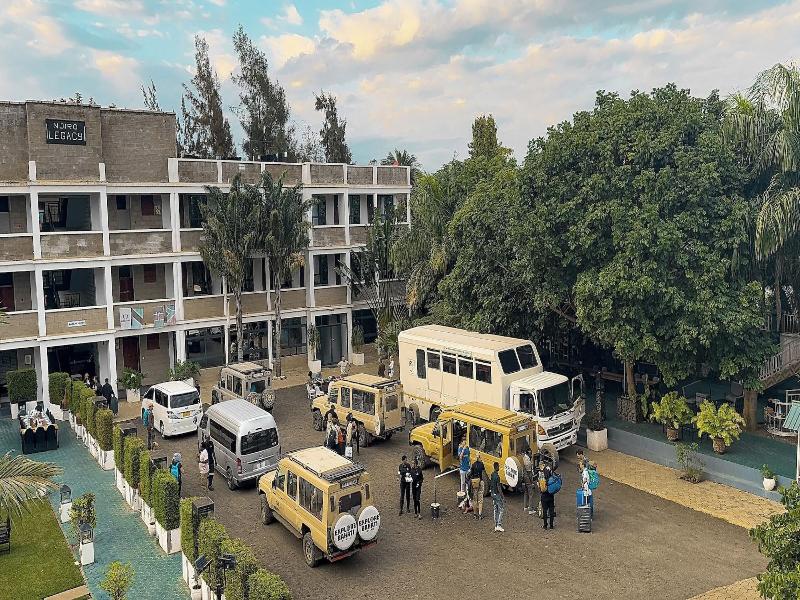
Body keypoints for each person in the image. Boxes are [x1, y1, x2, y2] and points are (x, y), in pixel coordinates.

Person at [489, 461, 504, 532]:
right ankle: (499, 525)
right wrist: (502, 496)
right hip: (497, 494)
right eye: (498, 466)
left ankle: (495, 525)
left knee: (495, 509)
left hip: (492, 493)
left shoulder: (492, 474)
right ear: (497, 467)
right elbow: (499, 487)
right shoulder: (497, 477)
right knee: (501, 509)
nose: (499, 468)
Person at [469, 455, 486, 520]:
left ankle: (475, 514)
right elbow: (483, 470)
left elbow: (471, 474)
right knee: (480, 499)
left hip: (474, 482)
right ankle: (480, 514)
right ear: (479, 458)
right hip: (480, 481)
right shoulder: (481, 464)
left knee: (474, 499)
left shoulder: (473, 465)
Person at [522, 448, 536, 515]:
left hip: (524, 478)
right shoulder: (528, 462)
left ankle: (525, 507)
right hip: (527, 478)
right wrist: (532, 482)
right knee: (531, 493)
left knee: (526, 492)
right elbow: (529, 473)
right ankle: (530, 509)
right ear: (529, 453)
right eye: (530, 453)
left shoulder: (524, 458)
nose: (531, 454)